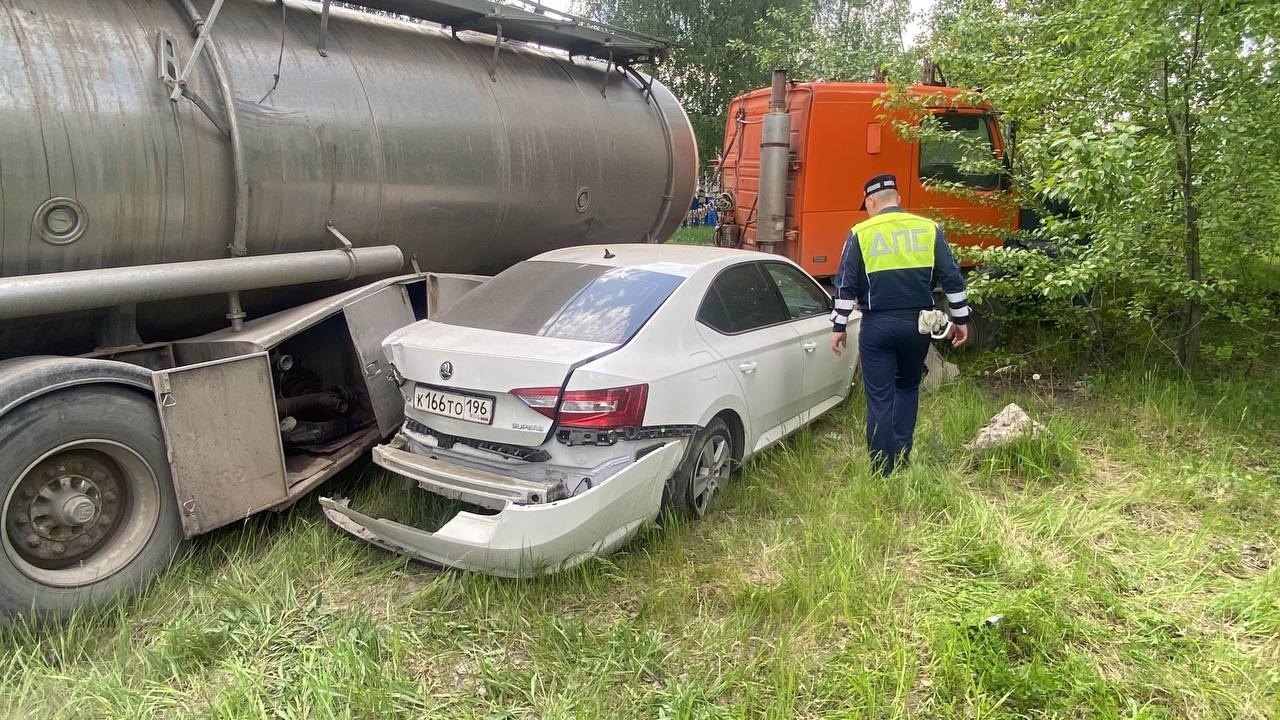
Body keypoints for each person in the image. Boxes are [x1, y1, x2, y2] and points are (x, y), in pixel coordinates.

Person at [829, 173, 970, 476]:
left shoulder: (860, 233)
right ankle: (903, 458)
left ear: (871, 202)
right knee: (907, 388)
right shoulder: (928, 229)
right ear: (899, 200)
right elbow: (952, 278)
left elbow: (845, 285)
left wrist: (838, 326)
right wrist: (961, 319)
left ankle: (882, 469)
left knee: (879, 397)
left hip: (877, 325)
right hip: (917, 325)